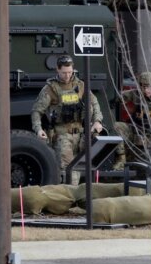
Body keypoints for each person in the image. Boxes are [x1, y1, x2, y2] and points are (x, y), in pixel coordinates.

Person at [30, 55, 104, 184]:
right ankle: (69, 198)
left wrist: (97, 121)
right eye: (64, 72)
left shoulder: (80, 85)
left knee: (84, 169)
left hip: (81, 135)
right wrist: (38, 129)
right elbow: (37, 111)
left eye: (70, 72)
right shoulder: (50, 89)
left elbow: (95, 103)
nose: (67, 75)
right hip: (62, 135)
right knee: (68, 172)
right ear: (57, 70)